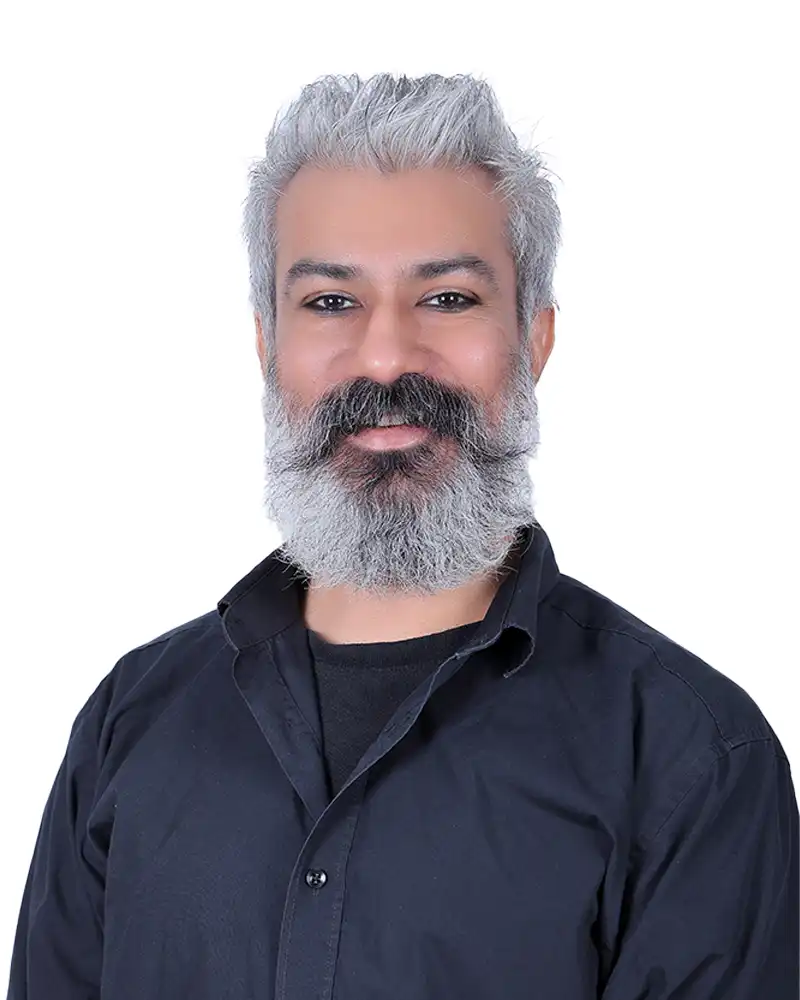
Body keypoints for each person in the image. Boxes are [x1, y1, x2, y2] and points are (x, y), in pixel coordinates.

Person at [6, 71, 797, 1000]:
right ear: (267, 345)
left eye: (448, 299)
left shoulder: (692, 758)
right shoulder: (128, 723)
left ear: (534, 341)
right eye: (330, 303)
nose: (385, 357)